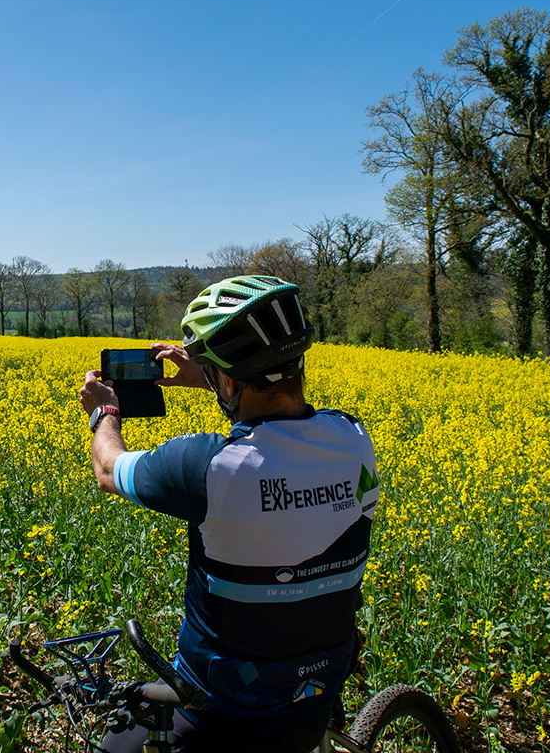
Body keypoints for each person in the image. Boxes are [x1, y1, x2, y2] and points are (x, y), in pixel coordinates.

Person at [78, 275, 380, 753]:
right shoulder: (353, 438)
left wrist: (105, 413)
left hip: (220, 715)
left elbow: (108, 469)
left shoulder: (207, 467)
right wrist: (212, 375)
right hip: (318, 694)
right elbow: (277, 411)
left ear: (231, 379)